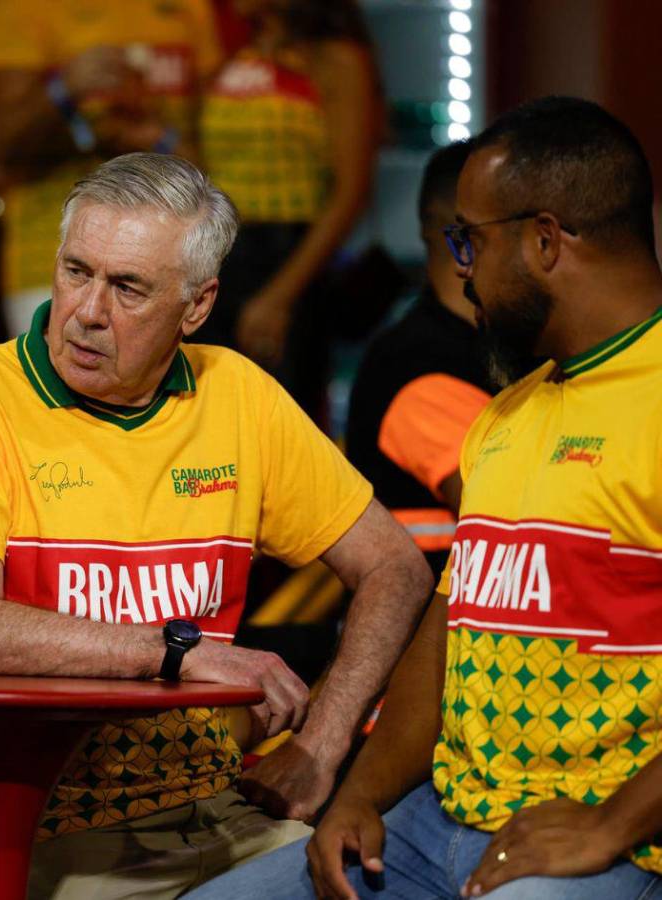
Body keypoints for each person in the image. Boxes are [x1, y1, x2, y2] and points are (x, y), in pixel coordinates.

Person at [0, 152, 432, 899]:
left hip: (229, 816)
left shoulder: (236, 394)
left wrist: (322, 742)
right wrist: (178, 653)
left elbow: (395, 567)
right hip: (31, 834)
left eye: (128, 288)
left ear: (197, 306)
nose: (88, 310)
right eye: (77, 271)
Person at [187, 96, 662, 900]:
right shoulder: (507, 413)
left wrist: (614, 824)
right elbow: (454, 622)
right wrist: (362, 795)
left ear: (545, 240)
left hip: (603, 841)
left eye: (467, 240)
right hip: (430, 825)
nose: (459, 266)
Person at [0, 0, 222, 336]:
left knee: (177, 390)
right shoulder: (15, 7)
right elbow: (3, 146)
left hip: (173, 262)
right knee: (62, 389)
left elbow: (208, 144)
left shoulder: (192, 7)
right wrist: (66, 89)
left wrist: (154, 135)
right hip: (57, 260)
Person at [198, 0, 382, 420]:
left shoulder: (335, 58)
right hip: (213, 258)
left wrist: (281, 296)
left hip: (289, 263)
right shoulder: (232, 52)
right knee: (211, 422)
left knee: (278, 429)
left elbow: (351, 191)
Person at [346, 139, 495, 578]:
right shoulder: (418, 363)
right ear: (467, 240)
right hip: (434, 632)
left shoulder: (486, 348)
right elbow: (509, 516)